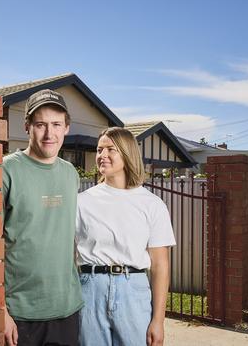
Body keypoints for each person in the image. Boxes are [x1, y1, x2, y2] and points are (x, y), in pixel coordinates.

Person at [76, 127, 176, 346]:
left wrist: (158, 320)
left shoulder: (152, 205)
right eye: (99, 149)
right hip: (89, 289)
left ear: (127, 153)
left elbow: (160, 265)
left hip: (134, 291)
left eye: (110, 149)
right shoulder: (81, 201)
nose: (102, 155)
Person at [2, 89, 83, 346]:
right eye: (41, 125)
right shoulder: (6, 170)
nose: (50, 134)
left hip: (66, 308)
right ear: (27, 126)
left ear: (66, 127)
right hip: (20, 312)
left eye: (57, 124)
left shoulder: (71, 174)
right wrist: (1, 311)